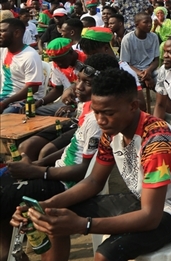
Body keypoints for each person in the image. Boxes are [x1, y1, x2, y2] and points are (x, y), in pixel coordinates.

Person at [11, 68, 171, 261]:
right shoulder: (112, 130)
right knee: (54, 216)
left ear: (133, 106)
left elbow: (151, 217)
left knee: (105, 255)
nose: (100, 120)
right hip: (143, 199)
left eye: (108, 113)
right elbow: (94, 181)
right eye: (96, 112)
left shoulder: (156, 142)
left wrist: (84, 225)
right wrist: (45, 205)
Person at [0, 55, 111, 261]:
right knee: (4, 181)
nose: (78, 87)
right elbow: (74, 147)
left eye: (87, 83)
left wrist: (38, 171)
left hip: (66, 184)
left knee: (5, 194)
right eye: (79, 80)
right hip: (57, 174)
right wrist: (38, 164)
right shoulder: (87, 110)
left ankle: (8, 251)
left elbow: (84, 171)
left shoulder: (98, 121)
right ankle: (6, 250)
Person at [0, 18, 44, 113]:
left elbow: (32, 88)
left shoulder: (30, 56)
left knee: (6, 114)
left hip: (28, 98)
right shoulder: (3, 50)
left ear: (17, 33)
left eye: (3, 31)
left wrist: (4, 103)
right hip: (4, 97)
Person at [120, 13, 159, 90]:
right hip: (133, 71)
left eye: (150, 22)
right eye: (145, 22)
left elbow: (156, 60)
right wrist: (144, 76)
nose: (149, 25)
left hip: (150, 70)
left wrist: (148, 71)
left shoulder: (154, 37)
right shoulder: (128, 39)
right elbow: (125, 64)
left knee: (163, 84)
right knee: (131, 88)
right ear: (137, 25)